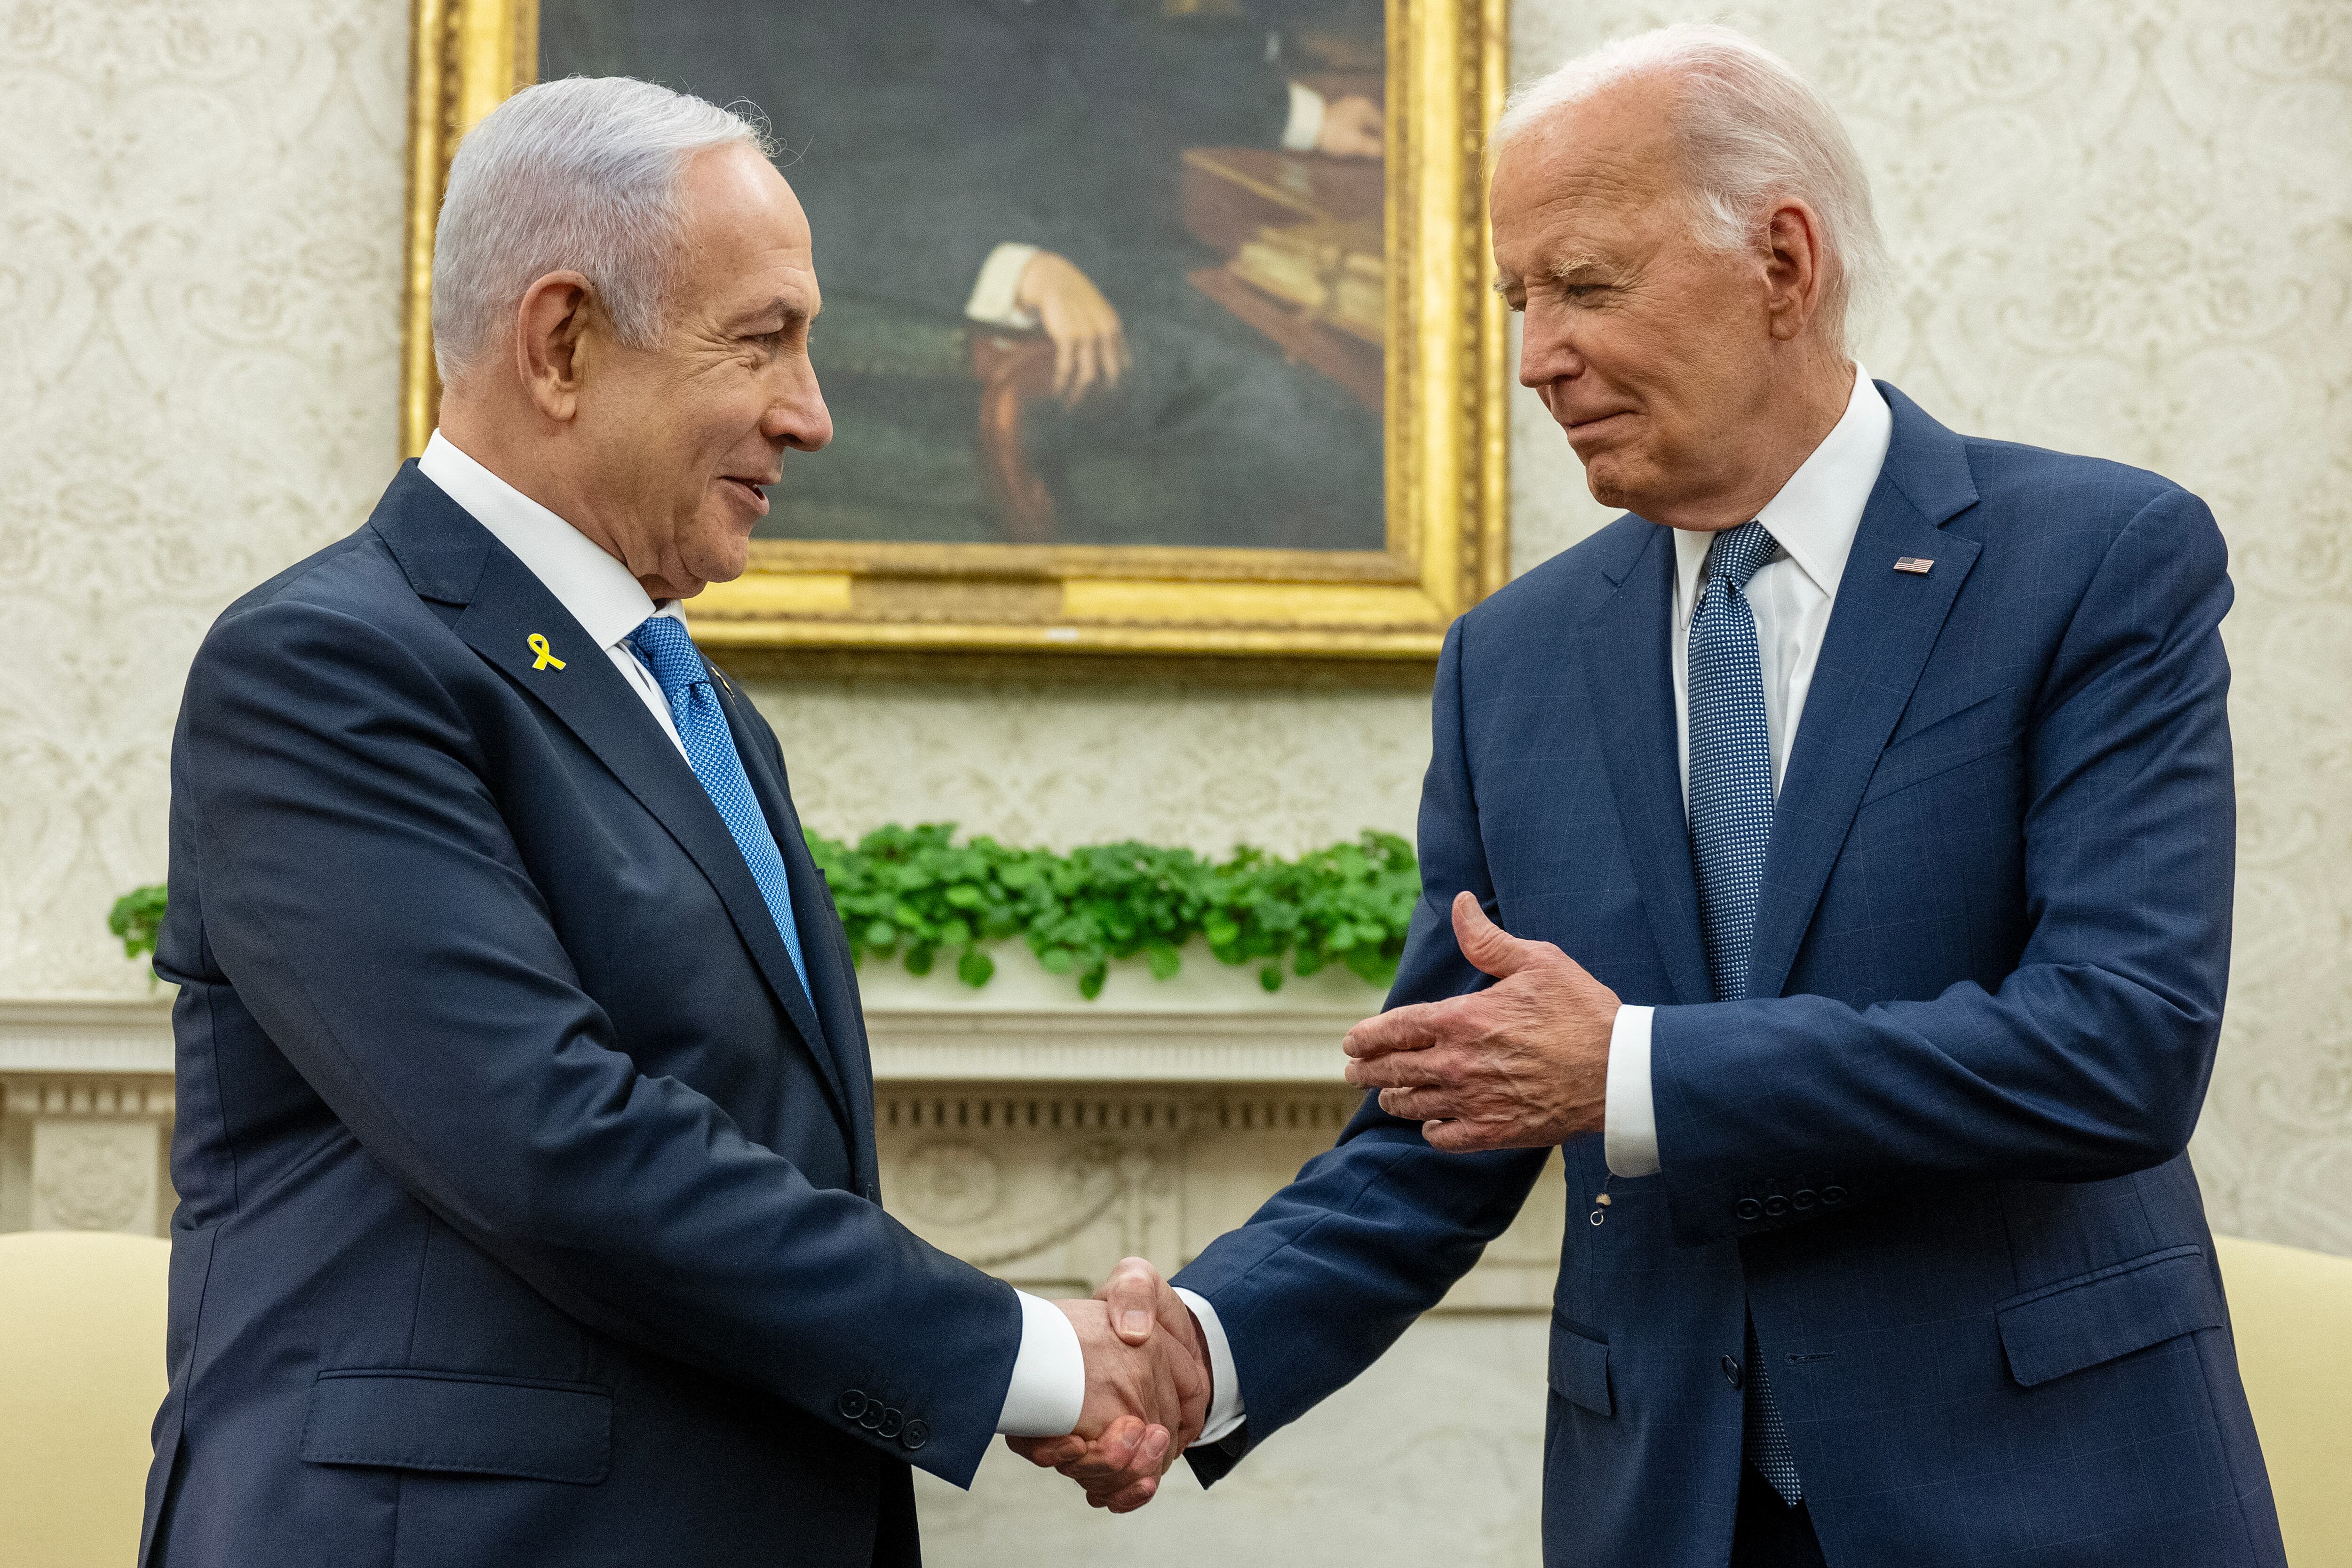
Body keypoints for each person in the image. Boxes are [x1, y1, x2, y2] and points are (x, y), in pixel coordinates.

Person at [1020, 24, 2289, 1567]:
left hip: (2046, 1497)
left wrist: (1634, 1069)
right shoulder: (1513, 660)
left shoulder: (2095, 562)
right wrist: (1201, 1349)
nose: (1536, 353)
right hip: (1671, 1513)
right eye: (1517, 301)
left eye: (1587, 285)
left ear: (1782, 261)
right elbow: (1455, 1111)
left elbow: (2119, 1046)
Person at [137, 77, 1202, 1568]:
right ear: (563, 341)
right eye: (764, 339)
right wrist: (1022, 1354)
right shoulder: (329, 665)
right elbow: (550, 1140)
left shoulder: (693, 703)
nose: (814, 414)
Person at [539, 0, 1385, 549]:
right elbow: (731, 194)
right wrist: (1012, 269)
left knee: (1340, 373)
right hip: (949, 295)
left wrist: (1303, 114)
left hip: (1108, 253)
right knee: (1309, 431)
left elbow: (1091, 40)